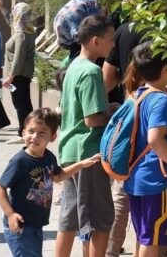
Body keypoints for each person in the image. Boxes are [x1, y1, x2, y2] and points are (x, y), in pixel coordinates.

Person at [102, 0, 167, 257]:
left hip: (130, 117)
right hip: (154, 147)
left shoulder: (122, 31)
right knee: (151, 231)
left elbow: (107, 78)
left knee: (128, 202)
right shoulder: (162, 35)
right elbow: (157, 138)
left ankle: (110, 250)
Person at [0, 108, 102, 257]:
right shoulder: (19, 161)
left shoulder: (49, 157)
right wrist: (11, 214)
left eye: (42, 133)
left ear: (52, 137)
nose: (35, 137)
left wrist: (82, 164)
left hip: (36, 223)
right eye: (31, 131)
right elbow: (0, 188)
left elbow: (58, 177)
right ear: (23, 132)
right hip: (20, 226)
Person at [56, 15, 117, 257]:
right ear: (95, 41)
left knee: (71, 221)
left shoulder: (73, 67)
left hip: (70, 151)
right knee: (99, 222)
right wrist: (114, 115)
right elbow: (92, 119)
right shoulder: (92, 71)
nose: (113, 45)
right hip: (88, 154)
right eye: (110, 40)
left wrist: (106, 109)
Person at [122, 41, 167, 257]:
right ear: (166, 67)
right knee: (152, 240)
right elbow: (155, 138)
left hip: (137, 178)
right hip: (156, 179)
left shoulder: (140, 94)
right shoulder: (162, 100)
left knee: (145, 237)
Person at [2, 2, 37, 143]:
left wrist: (10, 76)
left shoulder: (21, 35)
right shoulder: (27, 32)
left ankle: (23, 133)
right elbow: (12, 22)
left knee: (21, 105)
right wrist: (1, 8)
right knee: (24, 104)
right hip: (22, 75)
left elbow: (18, 57)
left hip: (18, 76)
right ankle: (28, 131)